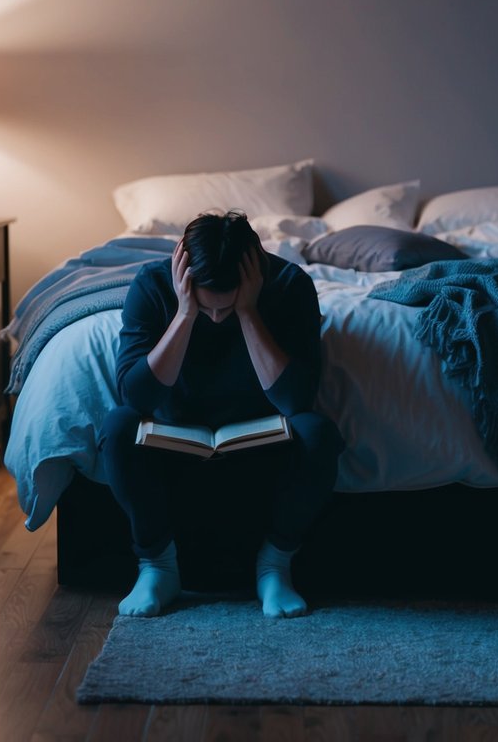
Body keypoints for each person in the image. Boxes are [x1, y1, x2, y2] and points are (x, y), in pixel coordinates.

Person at [98, 210, 344, 618]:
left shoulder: (290, 285)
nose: (215, 317)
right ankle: (157, 566)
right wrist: (184, 313)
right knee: (118, 426)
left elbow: (296, 401)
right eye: (207, 307)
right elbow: (135, 397)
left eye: (224, 308)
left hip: (264, 440)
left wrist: (248, 312)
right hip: (171, 441)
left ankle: (274, 567)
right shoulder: (152, 285)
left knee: (317, 433)